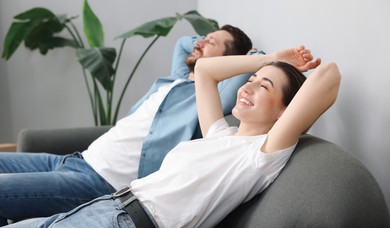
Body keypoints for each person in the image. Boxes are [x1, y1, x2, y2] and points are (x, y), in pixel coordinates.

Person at [8, 45, 339, 227]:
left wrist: (293, 70)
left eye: (264, 86)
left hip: (126, 222)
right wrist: (270, 60)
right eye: (250, 79)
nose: (248, 86)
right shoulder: (219, 134)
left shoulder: (261, 155)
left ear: (285, 112)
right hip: (106, 206)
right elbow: (206, 72)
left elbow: (328, 75)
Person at [0, 25, 254, 225]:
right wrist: (205, 42)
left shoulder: (207, 97)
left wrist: (255, 57)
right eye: (203, 37)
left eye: (211, 42)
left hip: (100, 183)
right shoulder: (177, 80)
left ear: (227, 60)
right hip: (76, 160)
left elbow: (250, 66)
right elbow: (181, 43)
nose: (198, 42)